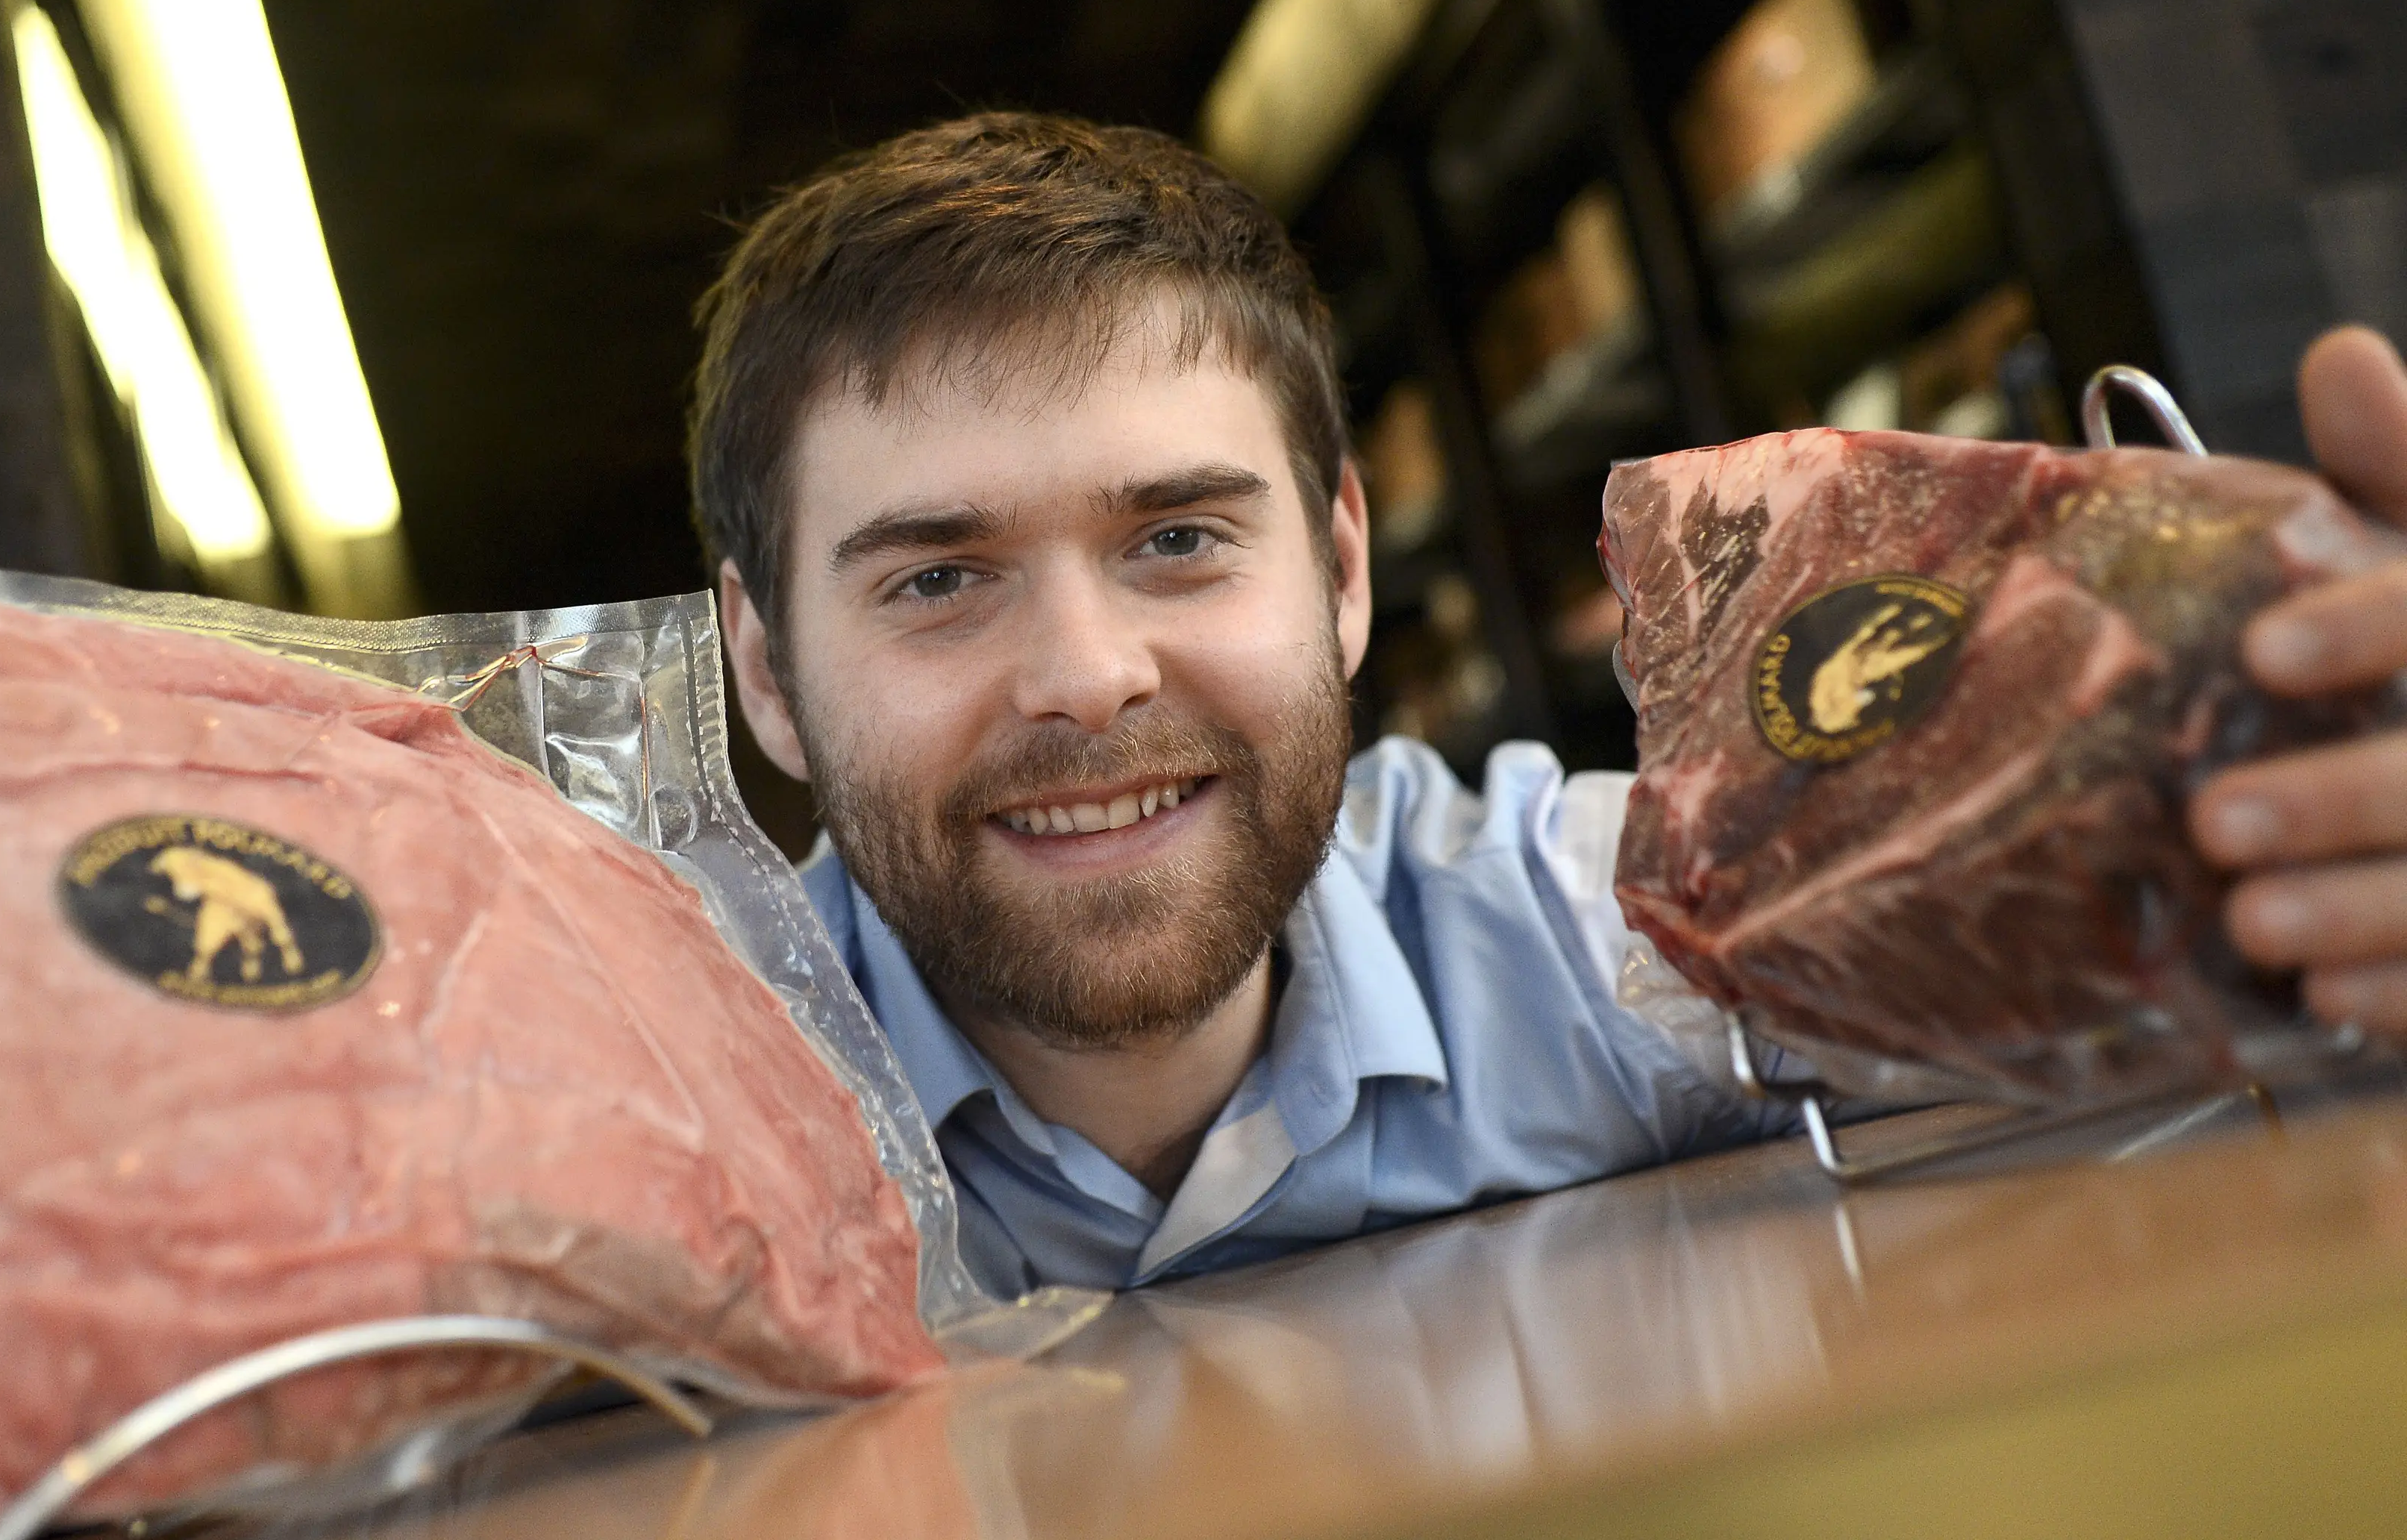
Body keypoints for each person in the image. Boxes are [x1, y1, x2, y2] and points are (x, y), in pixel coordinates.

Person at [689, 110, 2407, 1298]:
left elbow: (2241, 976)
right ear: (764, 671)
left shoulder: (1629, 941)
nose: (1085, 676)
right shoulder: (667, 1114)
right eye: (937, 580)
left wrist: (2316, 791)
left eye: (1180, 540)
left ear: (1340, 572)